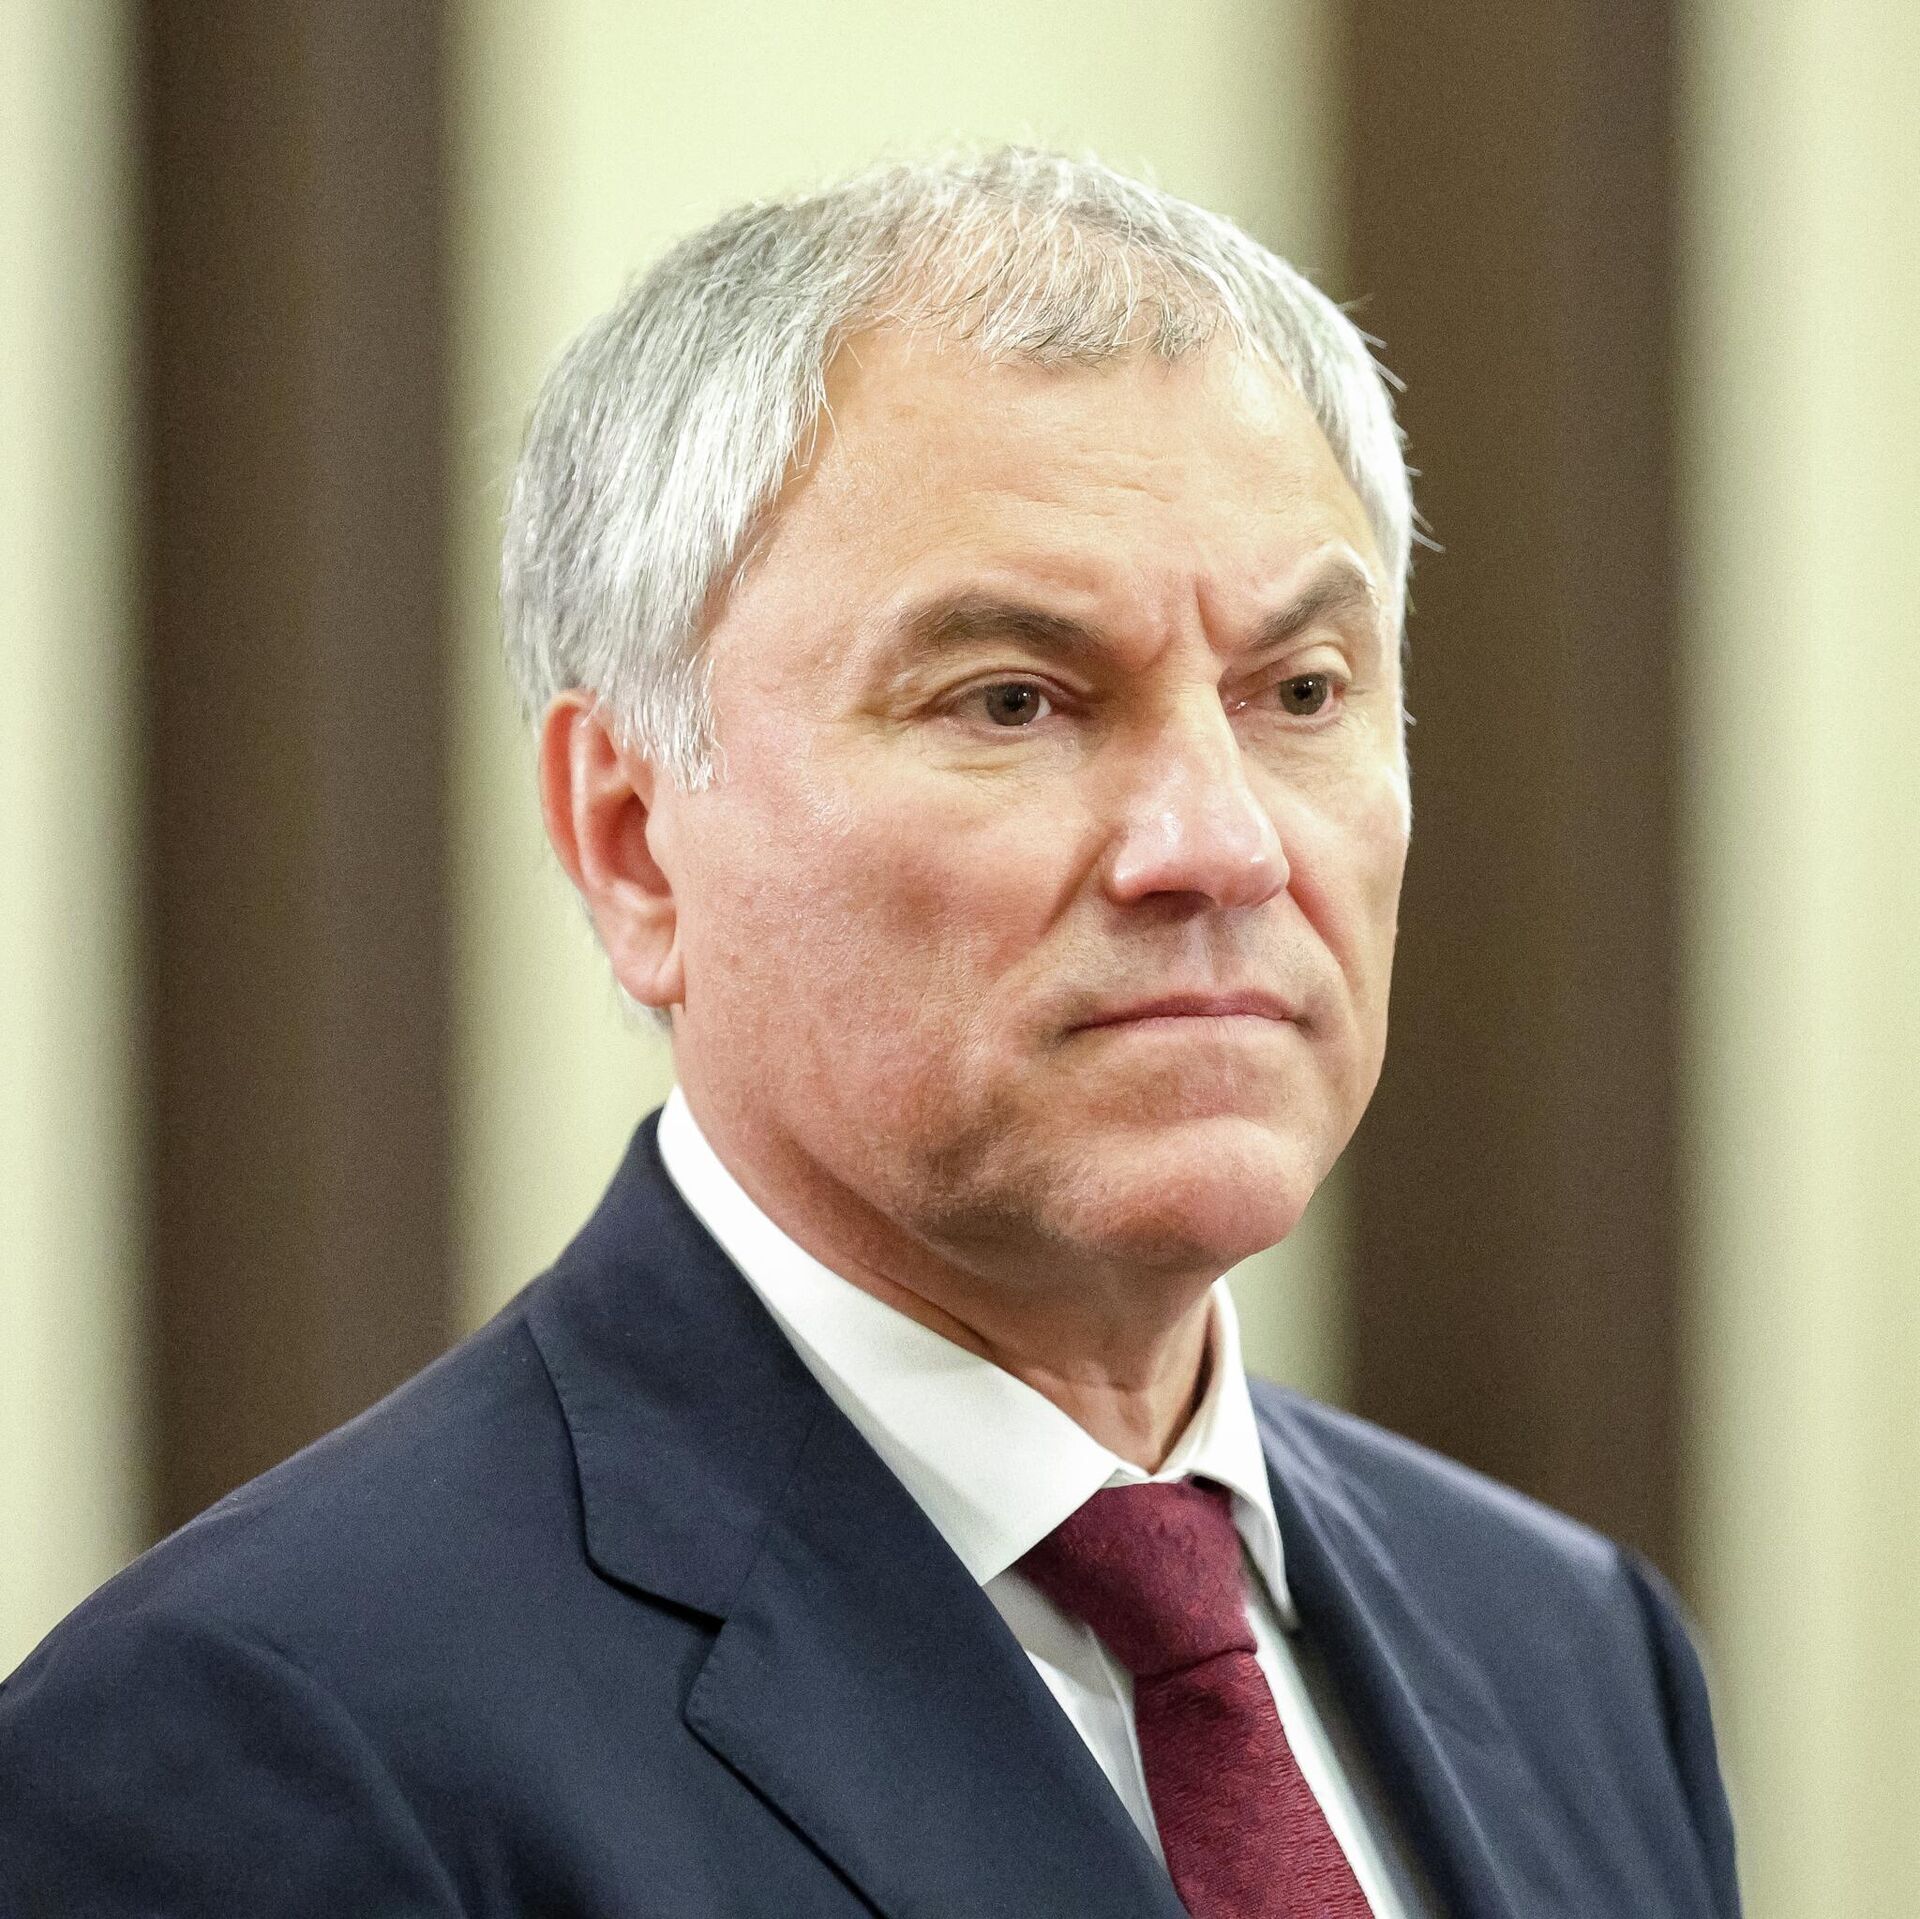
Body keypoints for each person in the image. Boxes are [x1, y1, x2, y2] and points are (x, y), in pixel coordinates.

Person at [0, 150, 1739, 1917]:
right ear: (632, 840)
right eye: (1015, 699)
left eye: (1300, 691)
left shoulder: (1576, 1652)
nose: (1220, 843)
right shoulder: (260, 1744)